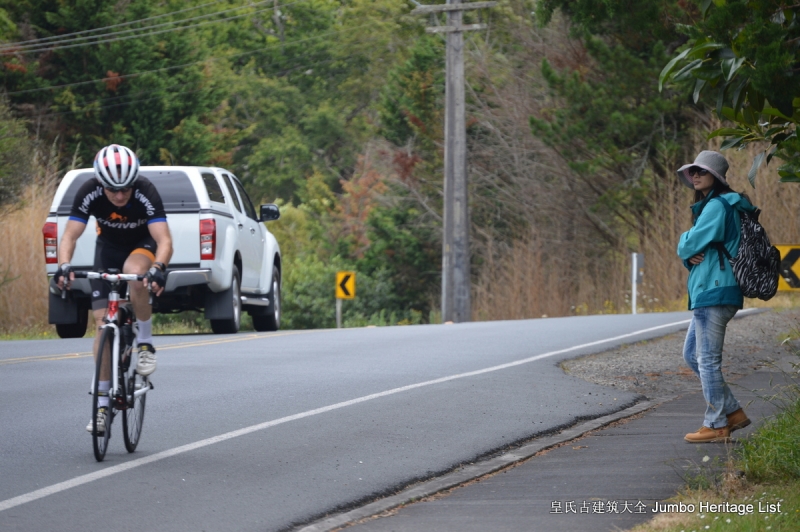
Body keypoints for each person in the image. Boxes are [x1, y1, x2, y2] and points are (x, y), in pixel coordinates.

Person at [54, 144, 173, 433]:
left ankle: (144, 343)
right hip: (106, 250)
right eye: (112, 190)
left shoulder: (146, 191)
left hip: (141, 246)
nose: (119, 196)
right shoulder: (88, 191)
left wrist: (158, 268)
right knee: (102, 327)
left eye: (125, 189)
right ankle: (102, 406)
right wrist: (64, 265)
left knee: (134, 275)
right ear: (100, 183)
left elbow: (165, 240)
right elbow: (69, 235)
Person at [676, 150, 753, 443]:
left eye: (702, 172)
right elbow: (699, 251)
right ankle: (731, 412)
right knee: (691, 356)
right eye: (693, 171)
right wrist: (690, 253)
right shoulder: (717, 205)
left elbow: (689, 245)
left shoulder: (717, 207)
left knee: (706, 361)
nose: (695, 175)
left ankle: (717, 424)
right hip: (714, 289)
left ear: (716, 177)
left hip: (715, 289)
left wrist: (684, 243)